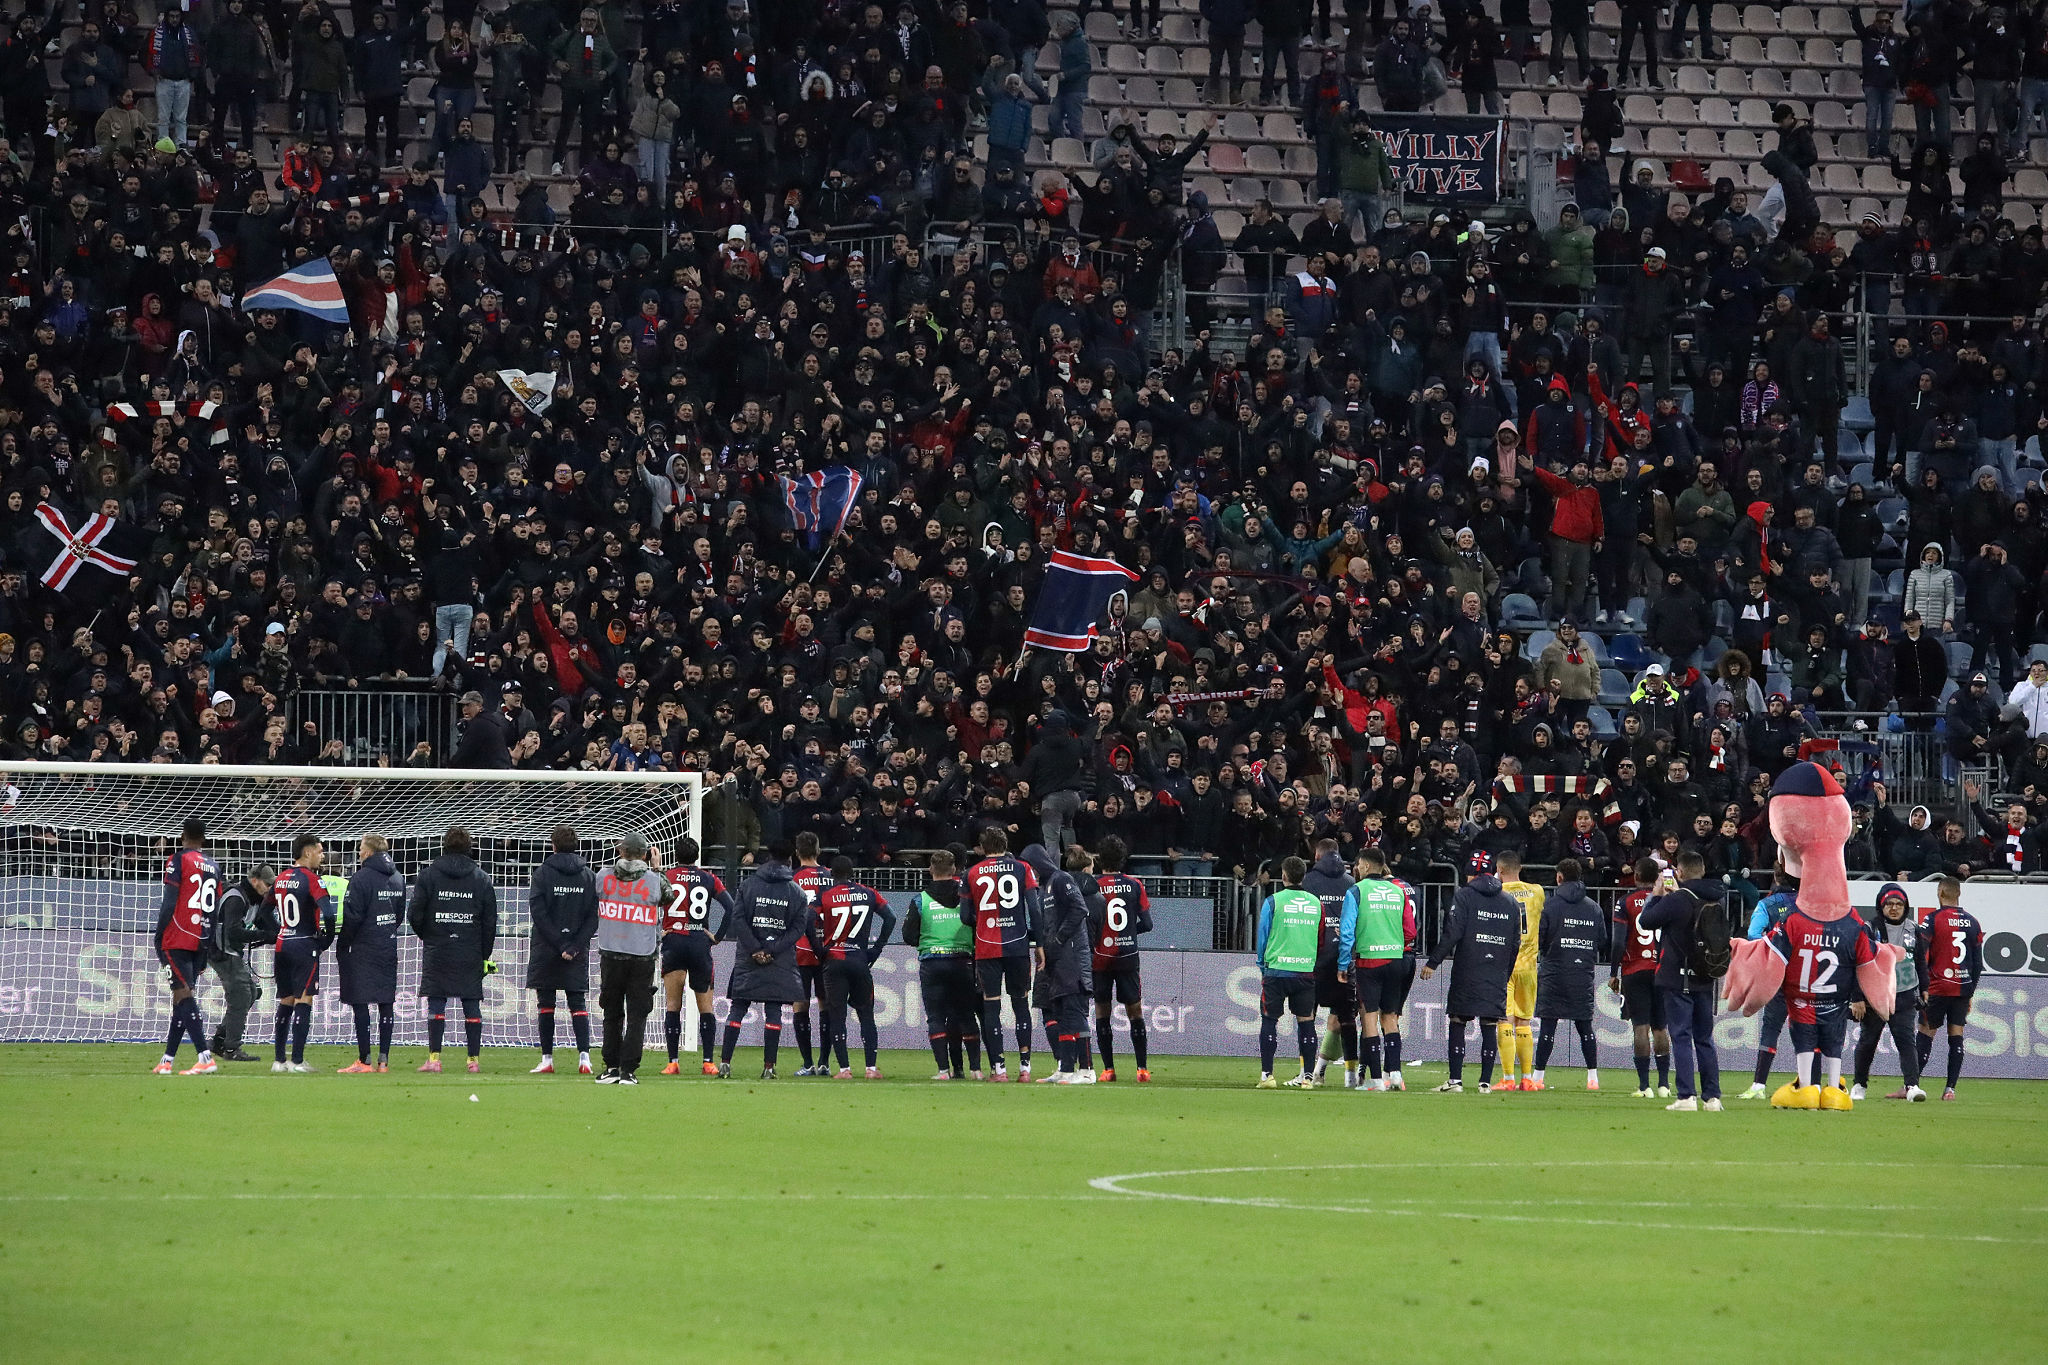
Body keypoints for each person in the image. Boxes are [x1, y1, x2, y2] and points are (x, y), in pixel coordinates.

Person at [718, 841, 821, 1080]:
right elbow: (798, 928)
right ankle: (768, 1067)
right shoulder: (796, 892)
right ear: (790, 860)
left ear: (767, 858)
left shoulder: (748, 885)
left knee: (738, 1008)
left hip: (748, 957)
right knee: (773, 1011)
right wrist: (772, 949)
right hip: (779, 959)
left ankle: (725, 1064)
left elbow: (738, 919)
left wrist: (755, 948)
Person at [1421, 851, 1519, 1093]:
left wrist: (1433, 962)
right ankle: (1485, 1082)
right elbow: (1515, 943)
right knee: (1489, 1022)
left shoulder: (1464, 896)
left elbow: (1453, 932)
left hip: (1468, 967)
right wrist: (1505, 972)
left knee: (1458, 1019)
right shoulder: (1510, 902)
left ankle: (1455, 1081)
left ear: (1469, 874)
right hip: (1496, 968)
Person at [1640, 851, 1729, 1112]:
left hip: (1677, 976)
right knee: (1704, 1038)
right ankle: (1712, 1098)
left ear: (1680, 872)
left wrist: (1657, 894)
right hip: (1705, 975)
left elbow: (1646, 921)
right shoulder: (1716, 898)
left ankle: (1686, 1096)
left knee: (1680, 1035)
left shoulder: (1679, 899)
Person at [410, 827, 500, 1075]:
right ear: (469, 847)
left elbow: (414, 914)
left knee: (437, 1002)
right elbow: (490, 920)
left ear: (444, 845)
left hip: (438, 946)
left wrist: (429, 935)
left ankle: (434, 1059)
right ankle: (473, 1061)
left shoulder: (428, 876)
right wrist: (484, 954)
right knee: (471, 1003)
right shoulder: (481, 878)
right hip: (469, 948)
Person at [1336, 847, 1418, 1091]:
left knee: (1369, 1017)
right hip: (1396, 958)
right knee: (1390, 1018)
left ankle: (1375, 1081)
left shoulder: (1357, 891)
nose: (1357, 868)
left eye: (1359, 865)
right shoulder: (1398, 890)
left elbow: (1347, 931)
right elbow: (1410, 931)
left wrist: (1343, 964)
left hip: (1369, 960)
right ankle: (1394, 1075)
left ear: (1365, 865)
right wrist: (1392, 943)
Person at [964, 826, 1041, 1081]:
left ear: (983, 847)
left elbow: (965, 916)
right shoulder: (1022, 868)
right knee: (1020, 1004)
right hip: (1018, 945)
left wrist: (985, 920)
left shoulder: (971, 873)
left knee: (991, 1007)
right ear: (1005, 844)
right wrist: (1038, 941)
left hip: (986, 948)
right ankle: (1025, 1068)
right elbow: (1035, 908)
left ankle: (999, 1069)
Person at [904, 848, 984, 1080]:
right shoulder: (967, 897)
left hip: (933, 963)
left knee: (936, 1017)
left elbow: (909, 935)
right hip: (963, 961)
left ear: (930, 870)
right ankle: (976, 1070)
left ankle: (943, 1070)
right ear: (955, 870)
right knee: (967, 1016)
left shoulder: (921, 899)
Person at [592, 832, 665, 1084]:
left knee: (611, 1012)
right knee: (637, 1014)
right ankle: (628, 1070)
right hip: (642, 956)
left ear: (620, 851)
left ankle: (610, 1066)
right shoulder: (654, 881)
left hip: (610, 952)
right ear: (645, 854)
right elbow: (670, 896)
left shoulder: (603, 876)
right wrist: (657, 868)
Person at [528, 824, 599, 1076]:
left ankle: (547, 1059)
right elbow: (593, 916)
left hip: (547, 947)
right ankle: (585, 1059)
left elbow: (538, 912)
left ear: (553, 846)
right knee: (577, 1001)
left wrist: (559, 944)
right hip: (576, 951)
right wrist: (575, 944)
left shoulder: (542, 874)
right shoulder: (588, 876)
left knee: (545, 1003)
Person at [817, 857, 898, 1079]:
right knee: (866, 1015)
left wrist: (820, 949)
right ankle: (871, 1068)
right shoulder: (869, 893)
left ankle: (844, 1070)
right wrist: (876, 949)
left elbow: (807, 919)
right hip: (860, 960)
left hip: (834, 960)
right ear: (852, 872)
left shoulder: (825, 895)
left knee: (837, 1016)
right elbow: (890, 918)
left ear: (832, 873)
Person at [658, 837, 732, 1076]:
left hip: (674, 940)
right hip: (700, 941)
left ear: (676, 855)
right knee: (706, 1006)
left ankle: (673, 1062)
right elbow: (730, 906)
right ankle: (708, 1062)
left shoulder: (668, 876)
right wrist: (718, 936)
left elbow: (651, 900)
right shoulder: (709, 878)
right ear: (697, 855)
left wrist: (658, 929)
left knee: (672, 1004)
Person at [1023, 842, 1096, 1082]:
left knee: (1074, 1012)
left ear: (1038, 864)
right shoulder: (1045, 887)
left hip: (1072, 955)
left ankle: (1087, 1070)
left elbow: (1080, 909)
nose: (1029, 872)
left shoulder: (1062, 879)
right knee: (1062, 1013)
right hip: (1057, 956)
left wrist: (1058, 938)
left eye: (1030, 867)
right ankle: (1065, 1068)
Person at [153, 817, 220, 1075]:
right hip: (200, 937)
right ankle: (167, 1060)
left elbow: (170, 901)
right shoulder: (214, 866)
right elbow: (213, 911)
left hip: (177, 936)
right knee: (180, 997)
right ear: (203, 838)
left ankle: (205, 1056)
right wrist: (207, 943)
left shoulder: (178, 860)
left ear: (182, 836)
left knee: (183, 996)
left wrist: (159, 934)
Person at [1531, 859, 1602, 1091]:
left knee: (1548, 1027)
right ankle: (1593, 1079)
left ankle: (1538, 1078)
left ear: (1559, 877)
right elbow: (1602, 940)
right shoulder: (1593, 907)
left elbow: (1540, 938)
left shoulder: (1551, 905)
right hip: (1582, 972)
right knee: (1585, 1027)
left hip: (1554, 971)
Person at [336, 835, 405, 1074]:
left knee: (361, 1001)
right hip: (387, 945)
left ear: (368, 852)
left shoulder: (361, 878)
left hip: (363, 947)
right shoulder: (398, 878)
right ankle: (383, 1061)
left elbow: (353, 916)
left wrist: (343, 944)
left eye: (361, 848)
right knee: (386, 1002)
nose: (359, 853)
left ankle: (364, 1060)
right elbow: (399, 917)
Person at [1088, 836, 1154, 1083]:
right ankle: (1142, 1069)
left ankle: (1108, 1070)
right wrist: (1127, 934)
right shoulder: (1135, 885)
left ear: (1099, 859)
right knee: (1135, 1011)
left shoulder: (1093, 886)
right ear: (1122, 859)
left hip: (1100, 957)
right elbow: (1147, 924)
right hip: (1128, 956)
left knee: (1102, 1011)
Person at [1851, 883, 1926, 1101]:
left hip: (1904, 995)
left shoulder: (1914, 929)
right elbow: (1857, 963)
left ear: (1906, 906)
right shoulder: (1869, 928)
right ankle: (1859, 1085)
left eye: (1899, 904)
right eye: (1889, 904)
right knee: (1868, 1042)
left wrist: (1925, 988)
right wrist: (1857, 997)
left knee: (1906, 1042)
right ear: (1881, 906)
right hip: (1875, 995)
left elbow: (1920, 961)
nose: (1894, 908)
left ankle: (1912, 1086)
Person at [1253, 855, 1323, 1088]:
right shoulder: (1316, 903)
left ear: (1283, 876)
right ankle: (1309, 1077)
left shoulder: (1273, 901)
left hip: (1277, 969)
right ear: (1303, 876)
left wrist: (1262, 963)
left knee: (1269, 1020)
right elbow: (1320, 937)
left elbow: (1263, 935)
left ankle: (1267, 1076)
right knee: (1306, 1022)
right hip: (1304, 969)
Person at [269, 834, 335, 1074]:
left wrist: (279, 931)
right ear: (307, 853)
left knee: (285, 1000)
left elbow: (261, 914)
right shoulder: (312, 879)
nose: (322, 855)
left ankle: (279, 1061)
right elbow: (328, 913)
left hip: (282, 945)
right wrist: (325, 940)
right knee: (303, 999)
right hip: (304, 945)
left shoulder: (280, 878)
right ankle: (297, 1061)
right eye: (319, 851)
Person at [1914, 876, 1984, 1100]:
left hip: (1937, 987)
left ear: (1940, 893)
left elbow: (1921, 955)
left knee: (1926, 1033)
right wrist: (1970, 991)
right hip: (1962, 989)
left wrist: (1921, 985)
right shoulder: (1973, 922)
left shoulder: (1932, 920)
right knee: (1956, 1035)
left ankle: (1911, 1085)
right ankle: (1950, 1089)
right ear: (1959, 894)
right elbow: (1978, 963)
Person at [1737, 861, 1799, 1099]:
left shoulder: (1767, 904)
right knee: (1806, 1030)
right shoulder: (1810, 905)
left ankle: (1759, 1086)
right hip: (1807, 976)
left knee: (1771, 1028)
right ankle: (1810, 1083)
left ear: (1775, 876)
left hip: (1778, 975)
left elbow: (1753, 935)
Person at [205, 864, 276, 1063]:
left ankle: (219, 1042)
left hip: (229, 951)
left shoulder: (253, 899)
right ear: (255, 881)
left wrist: (278, 934)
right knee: (242, 994)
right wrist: (266, 936)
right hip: (221, 951)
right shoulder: (236, 898)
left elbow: (264, 922)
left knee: (252, 992)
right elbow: (233, 932)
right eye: (267, 884)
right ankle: (231, 1048)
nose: (269, 888)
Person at [1303, 839, 1359, 1086]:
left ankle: (1307, 1073)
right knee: (1346, 1020)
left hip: (1315, 957)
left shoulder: (1308, 881)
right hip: (1344, 959)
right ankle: (1350, 1077)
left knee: (1307, 1018)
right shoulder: (1351, 884)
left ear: (1317, 855)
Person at [1494, 850, 1545, 1091]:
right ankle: (1527, 1078)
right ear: (1520, 867)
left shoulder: (1498, 893)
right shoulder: (1537, 890)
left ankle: (1508, 1079)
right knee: (1524, 1022)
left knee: (1504, 1020)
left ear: (1500, 870)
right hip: (1529, 967)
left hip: (1505, 965)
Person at [789, 832, 834, 1077]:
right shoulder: (831, 876)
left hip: (801, 950)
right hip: (827, 950)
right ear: (818, 851)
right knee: (826, 1005)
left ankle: (807, 1063)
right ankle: (825, 1062)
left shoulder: (792, 878)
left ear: (797, 853)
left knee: (801, 1005)